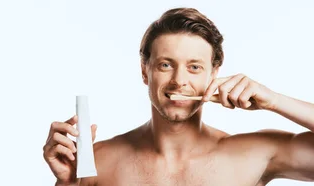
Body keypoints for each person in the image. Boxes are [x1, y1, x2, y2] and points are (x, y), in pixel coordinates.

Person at [42, 7, 314, 186]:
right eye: (166, 65)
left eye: (194, 67)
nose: (179, 81)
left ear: (213, 73)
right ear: (145, 71)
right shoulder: (97, 163)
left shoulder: (256, 153)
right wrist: (66, 185)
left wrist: (275, 101)